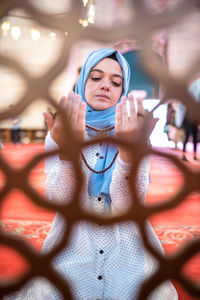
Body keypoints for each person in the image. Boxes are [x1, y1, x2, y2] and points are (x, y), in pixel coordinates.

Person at [5, 48, 177, 299]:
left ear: (122, 91)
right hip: (73, 241)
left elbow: (127, 205)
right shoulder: (62, 129)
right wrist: (66, 152)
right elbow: (61, 200)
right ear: (82, 80)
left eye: (115, 82)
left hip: (126, 242)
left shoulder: (135, 132)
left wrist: (130, 154)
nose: (106, 86)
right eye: (96, 78)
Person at [175, 78, 200, 161]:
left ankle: (195, 156)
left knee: (195, 137)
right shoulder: (187, 99)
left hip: (194, 120)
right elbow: (181, 109)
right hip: (187, 120)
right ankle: (183, 155)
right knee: (187, 135)